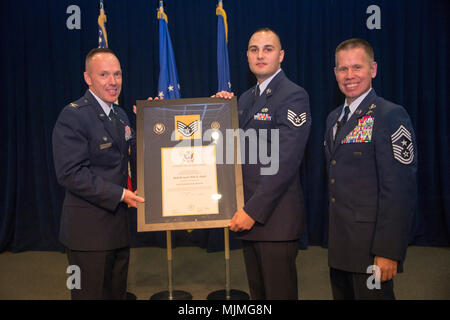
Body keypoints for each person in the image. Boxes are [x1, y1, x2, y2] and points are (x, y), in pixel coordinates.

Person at [215, 28, 311, 299]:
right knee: (259, 296)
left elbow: (285, 162)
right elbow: (232, 151)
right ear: (247, 55)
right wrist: (219, 112)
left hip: (274, 220)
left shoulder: (293, 96)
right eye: (254, 49)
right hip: (250, 219)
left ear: (281, 56)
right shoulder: (245, 99)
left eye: (267, 49)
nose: (260, 55)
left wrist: (252, 211)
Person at [324, 38, 417, 299]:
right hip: (340, 246)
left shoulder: (390, 115)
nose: (349, 75)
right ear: (335, 73)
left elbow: (399, 190)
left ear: (373, 69)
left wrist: (388, 251)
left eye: (357, 67)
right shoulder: (334, 118)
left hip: (372, 249)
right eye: (343, 69)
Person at [52, 48, 144, 299]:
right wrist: (120, 194)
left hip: (118, 229)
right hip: (87, 234)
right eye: (104, 75)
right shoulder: (73, 116)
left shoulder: (121, 115)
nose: (113, 82)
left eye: (117, 74)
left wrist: (153, 122)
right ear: (88, 78)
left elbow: (132, 159)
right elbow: (70, 174)